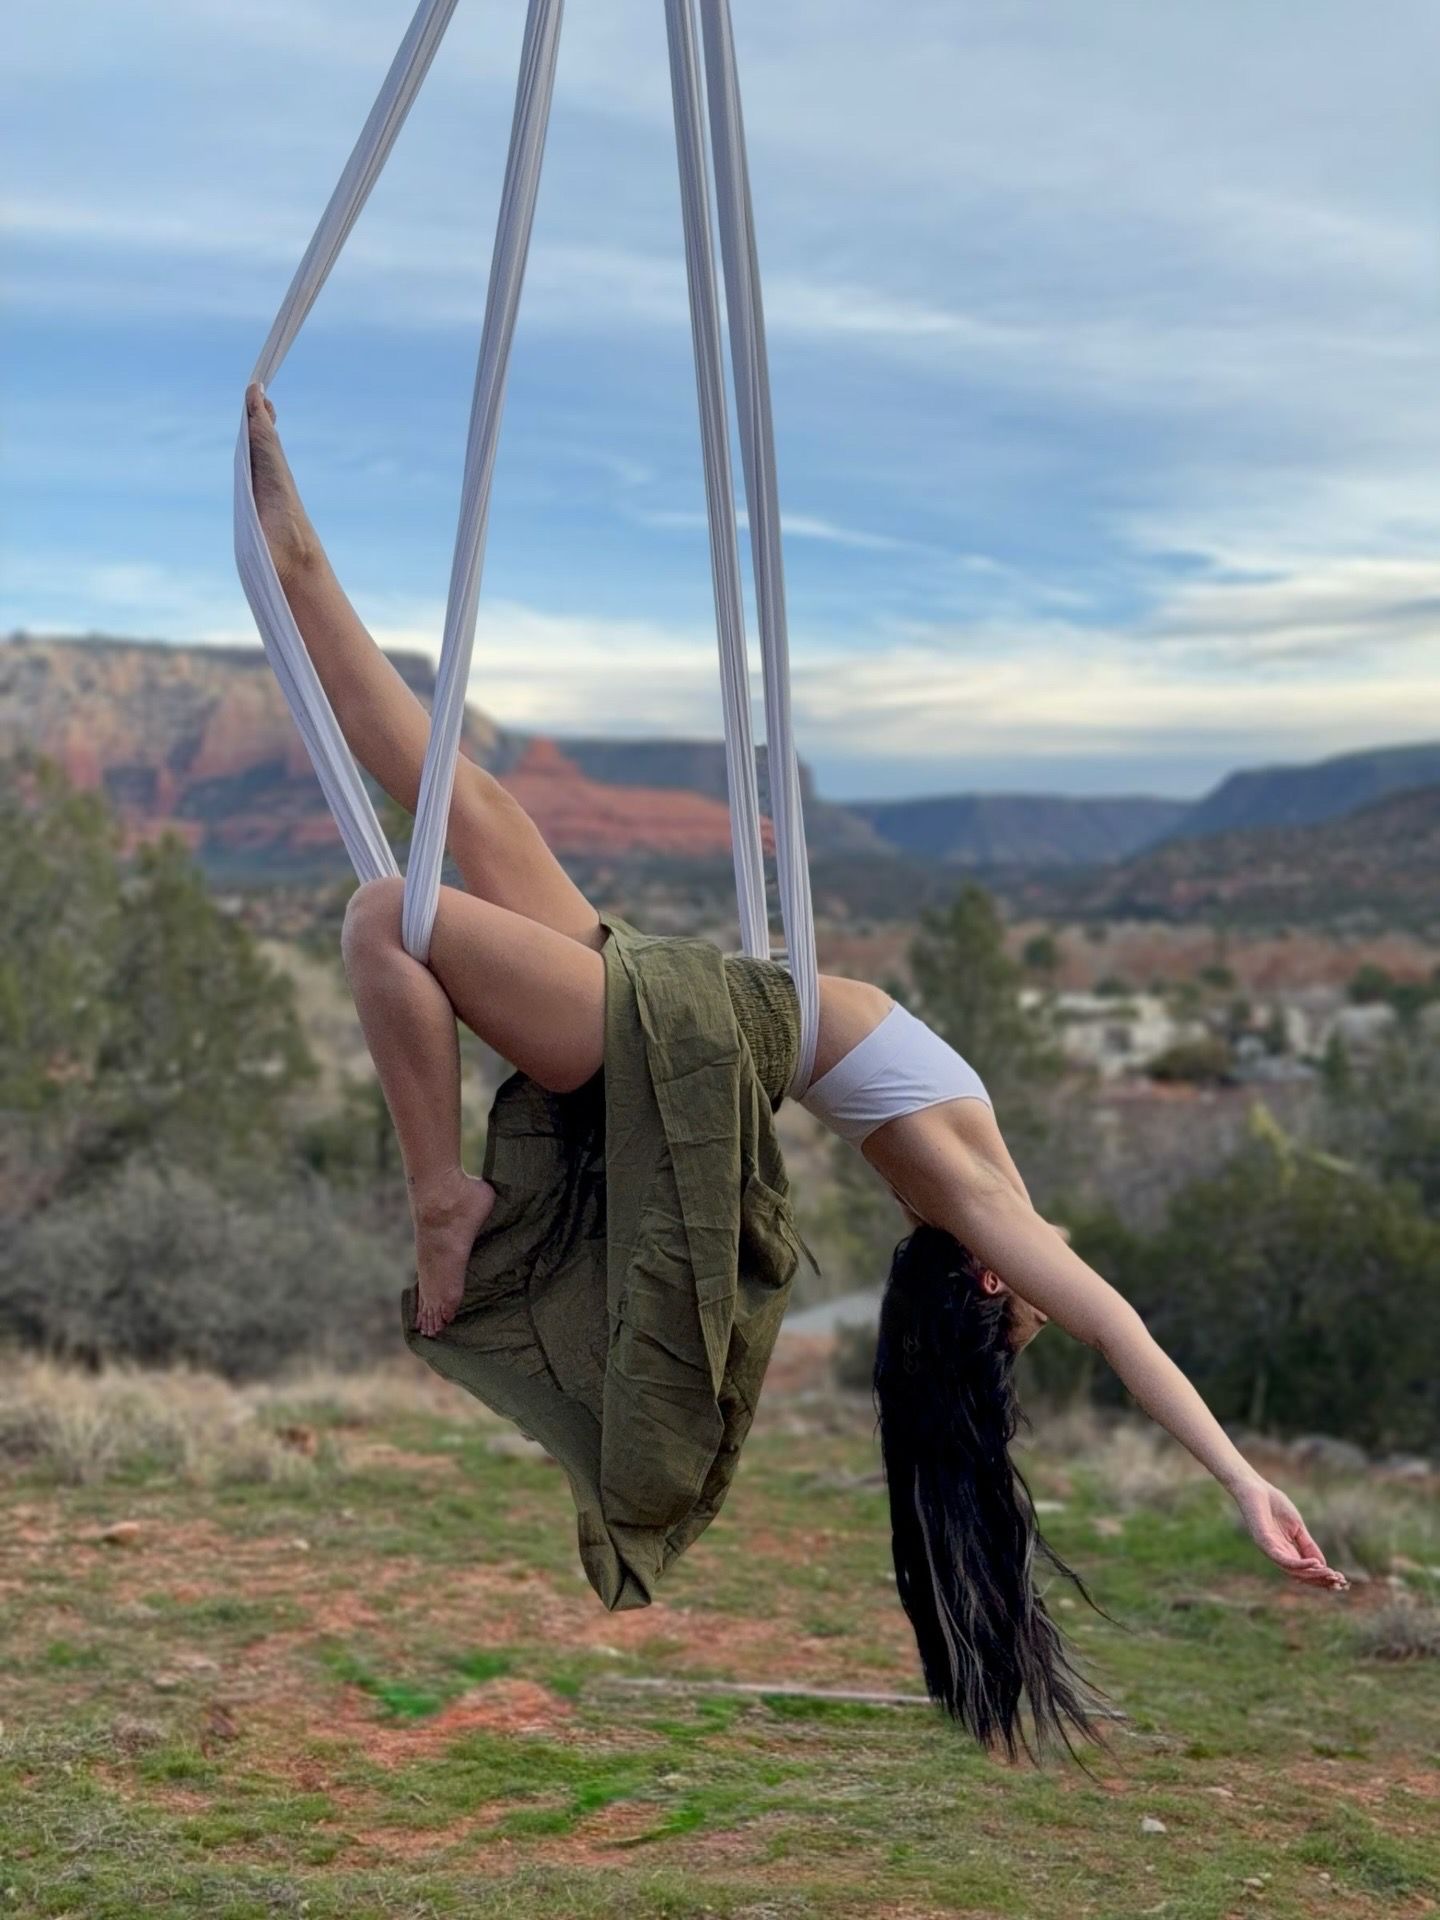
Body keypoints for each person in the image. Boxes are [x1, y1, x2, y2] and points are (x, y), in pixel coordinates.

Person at [245, 383, 1347, 1758]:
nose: (1043, 1310)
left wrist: (1241, 1480)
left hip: (694, 1044)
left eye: (1020, 1319)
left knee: (380, 919)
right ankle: (301, 569)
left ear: (997, 1286)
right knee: (466, 803)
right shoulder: (978, 1186)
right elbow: (1089, 1318)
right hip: (705, 1000)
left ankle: (439, 1199)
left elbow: (1122, 1333)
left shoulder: (970, 1206)